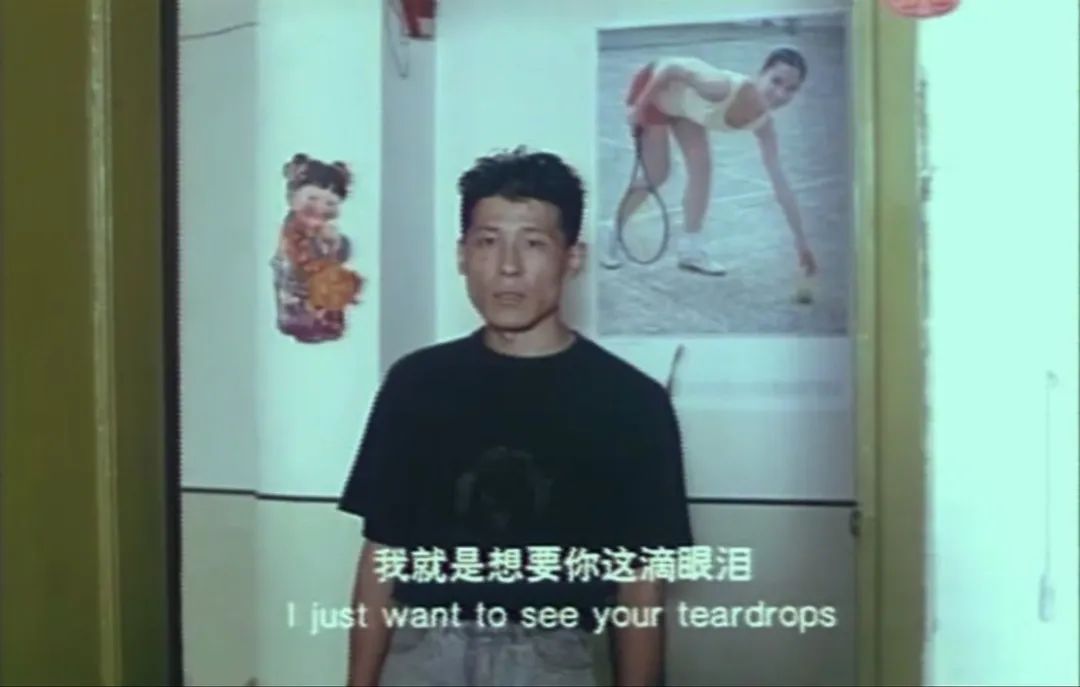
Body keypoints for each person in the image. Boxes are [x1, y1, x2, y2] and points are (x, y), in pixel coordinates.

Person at [338, 147, 694, 686]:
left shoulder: (631, 402)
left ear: (572, 257)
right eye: (487, 242)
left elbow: (641, 587)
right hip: (422, 654)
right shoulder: (417, 383)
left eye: (533, 243)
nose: (508, 267)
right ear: (462, 255)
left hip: (552, 659)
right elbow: (381, 553)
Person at [601, 47, 818, 278]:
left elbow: (781, 184)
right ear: (761, 74)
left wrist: (801, 243)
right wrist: (639, 108)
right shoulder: (721, 88)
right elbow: (671, 69)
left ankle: (690, 250)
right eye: (776, 81)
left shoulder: (764, 126)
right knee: (658, 173)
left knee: (702, 168)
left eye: (791, 89)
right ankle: (611, 234)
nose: (780, 93)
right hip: (655, 87)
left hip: (685, 107)